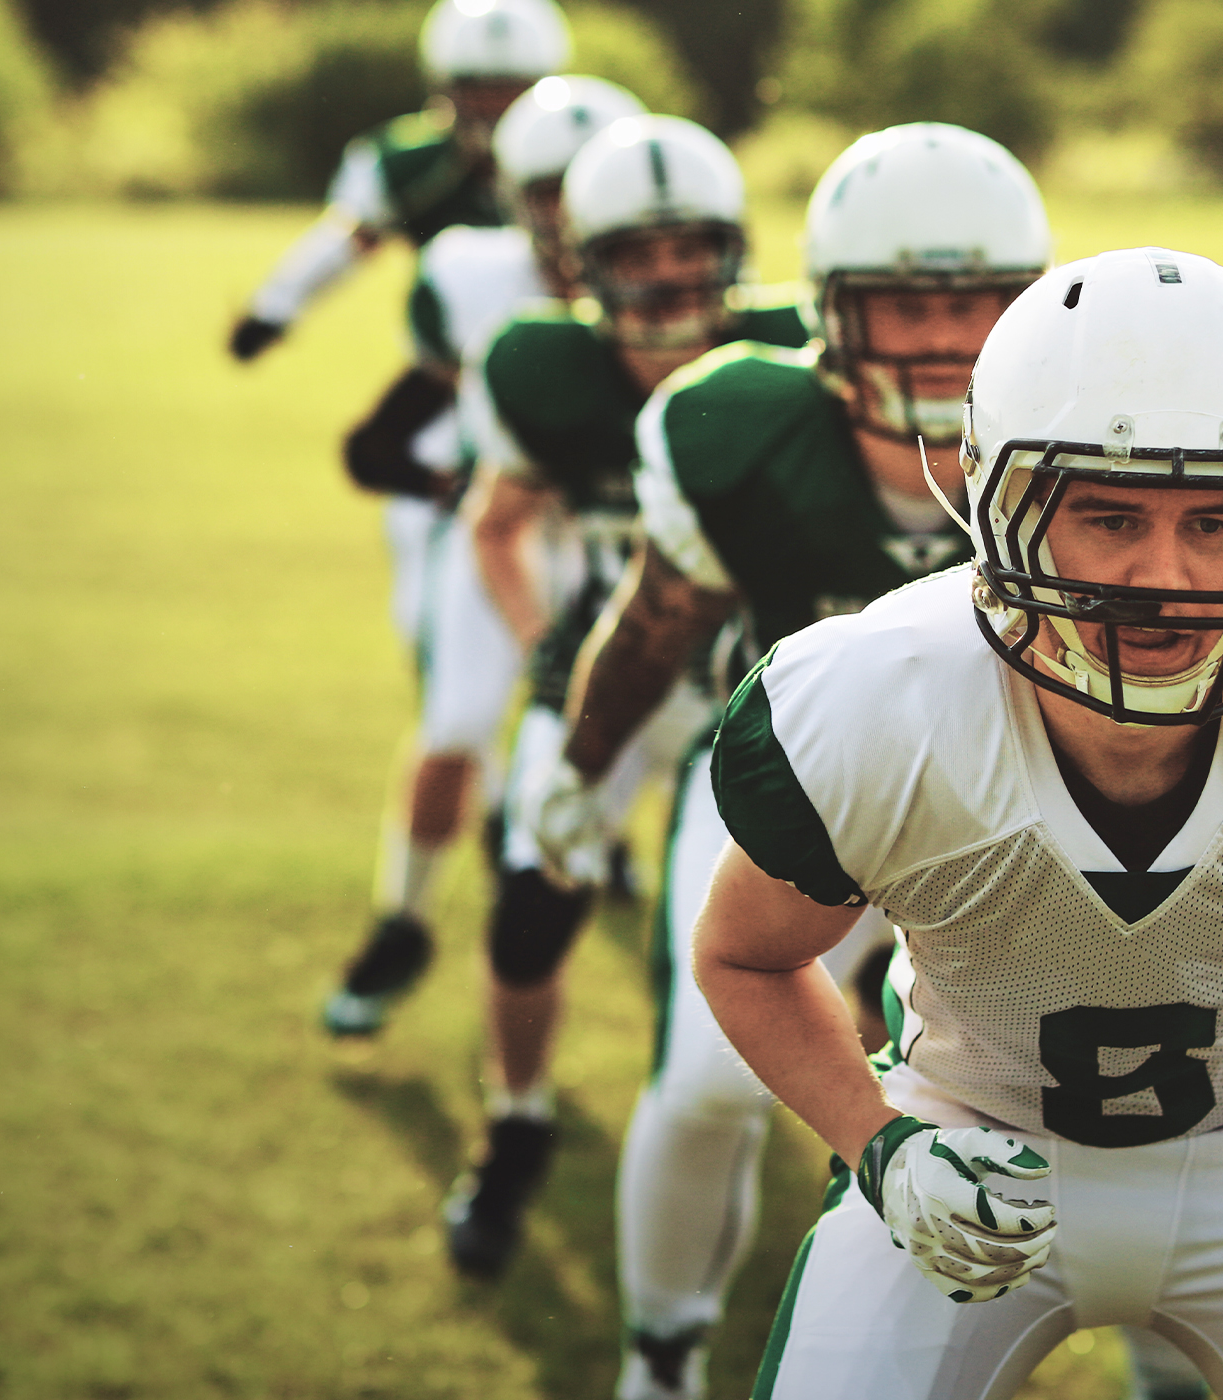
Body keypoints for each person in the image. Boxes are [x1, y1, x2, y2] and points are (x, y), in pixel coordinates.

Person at [688, 245, 1223, 1399]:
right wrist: (883, 1147)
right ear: (1005, 509)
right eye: (1108, 515)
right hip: (967, 1135)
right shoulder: (882, 698)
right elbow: (741, 955)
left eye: (1217, 520)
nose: (1167, 574)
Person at [526, 122, 1028, 1396]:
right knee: (704, 1082)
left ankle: (1162, 1338)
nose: (937, 337)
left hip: (1032, 805)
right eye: (904, 302)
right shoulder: (734, 426)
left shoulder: (1096, 428)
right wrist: (582, 767)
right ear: (833, 313)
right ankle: (664, 1341)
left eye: (972, 300)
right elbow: (655, 622)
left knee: (1095, 1099)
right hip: (802, 787)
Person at [434, 114, 814, 1282]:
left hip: (748, 693)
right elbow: (497, 524)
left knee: (755, 939)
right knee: (530, 905)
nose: (663, 275)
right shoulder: (541, 366)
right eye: (635, 251)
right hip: (609, 674)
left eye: (687, 245)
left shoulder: (791, 351)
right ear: (578, 258)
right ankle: (518, 1118)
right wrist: (554, 649)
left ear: (732, 247)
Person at [237, 0, 570, 1028]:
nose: (500, 109)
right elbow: (352, 239)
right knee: (459, 713)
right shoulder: (442, 225)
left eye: (515, 91)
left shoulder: (588, 158)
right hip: (463, 462)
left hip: (593, 487)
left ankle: (556, 830)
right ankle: (412, 910)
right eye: (482, 88)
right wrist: (278, 304)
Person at [319, 72, 652, 1040]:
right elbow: (426, 394)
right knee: (457, 722)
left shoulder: (668, 284)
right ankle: (404, 919)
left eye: (582, 186)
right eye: (546, 189)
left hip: (620, 543)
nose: (565, 214)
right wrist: (393, 448)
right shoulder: (470, 275)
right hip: (500, 528)